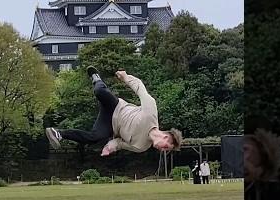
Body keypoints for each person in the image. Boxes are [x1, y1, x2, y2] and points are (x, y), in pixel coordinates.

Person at [45, 67, 182, 156]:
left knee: (94, 138)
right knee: (99, 91)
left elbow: (120, 143)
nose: (163, 150)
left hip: (110, 126)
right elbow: (140, 87)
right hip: (116, 107)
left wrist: (110, 147)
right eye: (166, 148)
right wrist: (126, 77)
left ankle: (58, 134)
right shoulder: (150, 113)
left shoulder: (141, 147)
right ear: (166, 137)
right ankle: (96, 78)